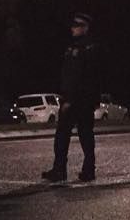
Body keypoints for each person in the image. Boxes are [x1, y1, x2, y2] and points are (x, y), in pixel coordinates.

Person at [41, 11, 100, 183]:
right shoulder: (78, 47)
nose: (73, 28)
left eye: (77, 26)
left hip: (79, 100)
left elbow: (84, 76)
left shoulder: (85, 48)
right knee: (78, 135)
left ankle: (70, 170)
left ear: (85, 28)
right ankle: (77, 170)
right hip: (80, 99)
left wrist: (69, 99)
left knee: (73, 135)